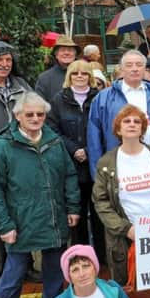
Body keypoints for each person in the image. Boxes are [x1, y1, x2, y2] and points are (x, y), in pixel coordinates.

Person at [0, 92, 81, 298]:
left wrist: (73, 207)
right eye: (29, 114)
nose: (35, 118)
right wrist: (3, 225)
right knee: (13, 275)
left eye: (40, 114)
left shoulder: (55, 142)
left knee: (53, 273)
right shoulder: (3, 146)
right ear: (18, 116)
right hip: (20, 221)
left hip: (54, 217)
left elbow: (69, 176)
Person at [92, 104, 150, 285]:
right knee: (128, 291)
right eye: (126, 121)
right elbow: (101, 202)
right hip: (125, 240)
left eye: (136, 121)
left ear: (142, 128)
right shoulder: (107, 162)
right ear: (118, 128)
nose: (132, 124)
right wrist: (127, 229)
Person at [0, 41, 36, 282]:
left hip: (21, 158)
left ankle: (26, 265)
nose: (5, 64)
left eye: (8, 60)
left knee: (23, 210)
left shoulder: (22, 87)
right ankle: (5, 268)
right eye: (0, 60)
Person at [47, 60, 104, 257]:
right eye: (75, 73)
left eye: (84, 73)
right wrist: (74, 150)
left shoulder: (99, 98)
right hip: (71, 166)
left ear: (90, 77)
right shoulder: (58, 100)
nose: (80, 76)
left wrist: (89, 149)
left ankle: (102, 257)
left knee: (99, 213)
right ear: (69, 76)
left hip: (96, 164)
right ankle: (80, 255)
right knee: (75, 213)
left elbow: (105, 127)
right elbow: (52, 130)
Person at [87, 49, 150, 178]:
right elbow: (94, 137)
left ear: (144, 69)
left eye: (139, 65)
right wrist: (98, 175)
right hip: (119, 166)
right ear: (121, 69)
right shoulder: (103, 98)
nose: (135, 69)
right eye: (129, 65)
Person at [36, 35, 80, 103]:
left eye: (70, 50)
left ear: (75, 54)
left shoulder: (85, 74)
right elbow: (40, 105)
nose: (66, 53)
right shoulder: (44, 78)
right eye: (62, 50)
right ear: (56, 55)